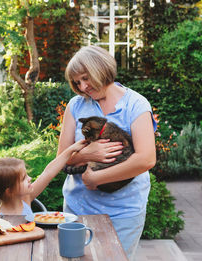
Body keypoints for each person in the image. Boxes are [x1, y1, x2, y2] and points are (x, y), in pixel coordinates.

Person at [57, 45, 157, 260]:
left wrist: (97, 177)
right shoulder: (76, 106)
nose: (83, 87)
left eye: (85, 78)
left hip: (122, 213)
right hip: (76, 208)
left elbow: (146, 159)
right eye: (77, 82)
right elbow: (62, 158)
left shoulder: (136, 105)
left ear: (100, 70)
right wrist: (87, 154)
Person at [0, 139, 87, 221]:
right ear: (9, 191)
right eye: (23, 178)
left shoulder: (25, 199)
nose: (30, 178)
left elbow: (48, 173)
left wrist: (71, 149)